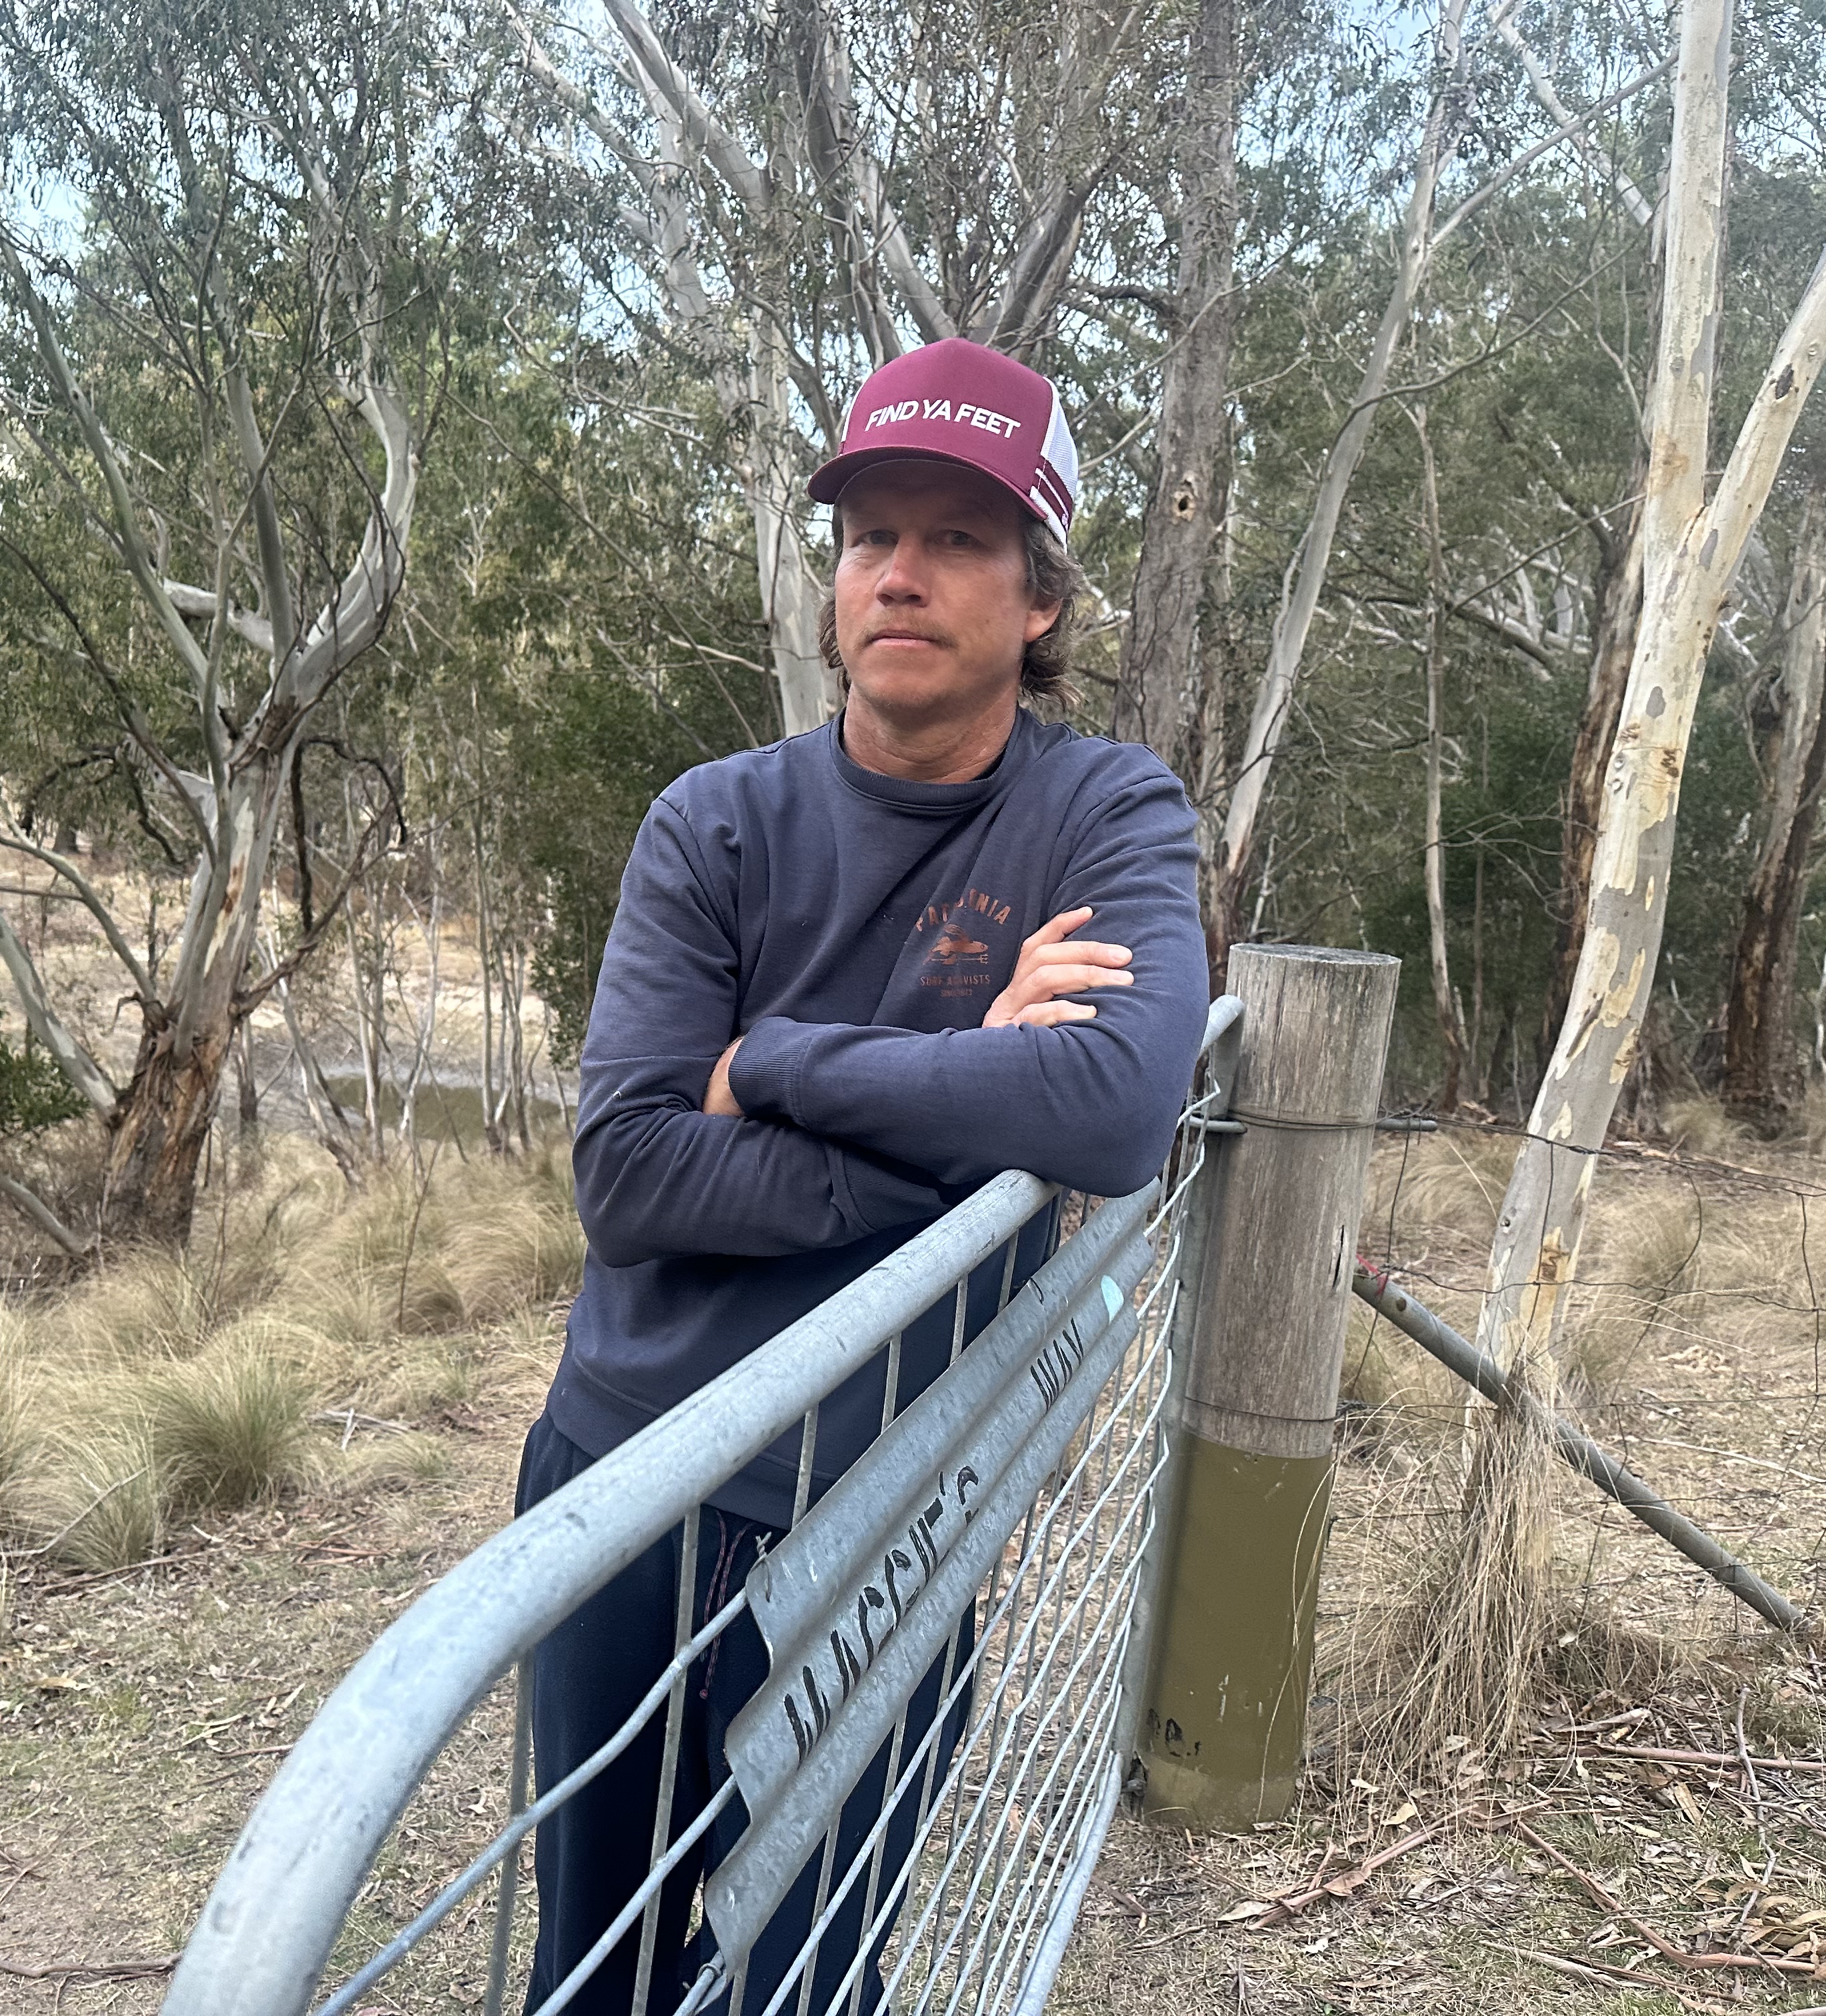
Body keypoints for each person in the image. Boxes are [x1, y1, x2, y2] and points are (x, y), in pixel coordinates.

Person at [515, 337, 1210, 2013]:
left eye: (958, 538)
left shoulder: (1109, 811)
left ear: (1040, 599)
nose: (901, 573)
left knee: (812, 1973)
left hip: (896, 1507)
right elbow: (630, 1174)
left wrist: (771, 1065)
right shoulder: (713, 825)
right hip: (635, 1475)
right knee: (596, 1961)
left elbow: (1117, 1110)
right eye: (870, 536)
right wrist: (978, 1115)